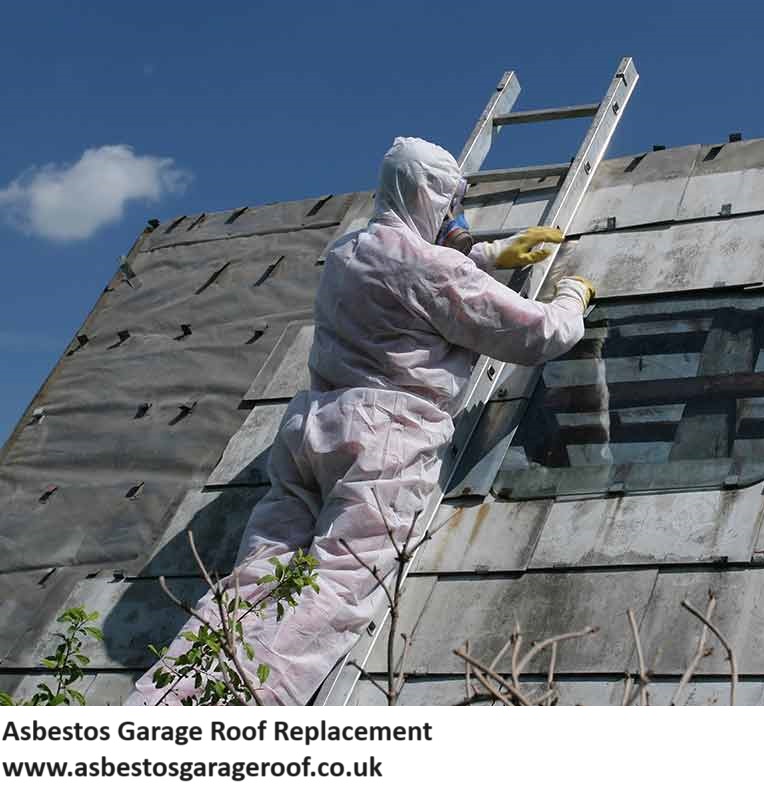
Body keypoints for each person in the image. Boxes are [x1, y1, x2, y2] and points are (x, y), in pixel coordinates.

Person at [128, 137, 595, 705]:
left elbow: (406, 273)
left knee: (255, 580)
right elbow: (536, 334)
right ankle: (244, 722)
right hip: (384, 436)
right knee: (338, 587)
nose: (455, 217)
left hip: (312, 429)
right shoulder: (433, 268)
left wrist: (487, 256)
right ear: (431, 195)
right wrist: (573, 296)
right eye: (451, 202)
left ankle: (164, 707)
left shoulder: (347, 252)